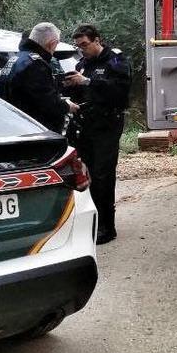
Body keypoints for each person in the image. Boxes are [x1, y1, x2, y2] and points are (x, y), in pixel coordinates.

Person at [63, 24, 130, 245]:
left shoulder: (115, 60)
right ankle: (92, 221)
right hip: (86, 125)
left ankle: (107, 227)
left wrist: (89, 81)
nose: (82, 49)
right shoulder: (83, 64)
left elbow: (120, 92)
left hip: (107, 124)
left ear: (97, 40)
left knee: (103, 175)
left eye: (85, 44)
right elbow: (81, 91)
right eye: (78, 46)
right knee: (87, 174)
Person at [0, 22, 77, 132]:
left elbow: (29, 89)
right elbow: (47, 102)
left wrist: (60, 83)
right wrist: (67, 106)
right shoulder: (36, 64)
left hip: (15, 123)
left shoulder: (16, 59)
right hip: (34, 128)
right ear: (52, 43)